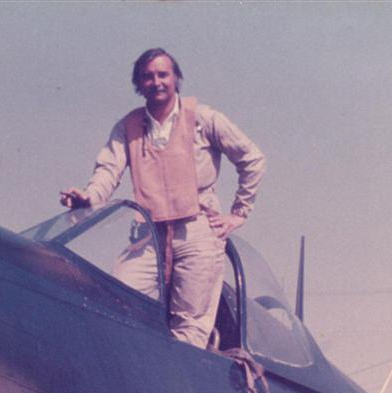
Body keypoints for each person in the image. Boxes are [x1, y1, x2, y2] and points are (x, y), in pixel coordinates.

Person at [60, 48, 265, 349]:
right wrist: (88, 196)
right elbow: (108, 170)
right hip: (148, 234)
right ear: (138, 84)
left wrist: (239, 213)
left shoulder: (204, 119)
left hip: (197, 230)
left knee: (190, 329)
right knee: (117, 300)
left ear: (176, 78)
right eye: (148, 76)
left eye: (163, 74)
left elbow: (253, 158)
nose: (156, 81)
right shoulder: (128, 127)